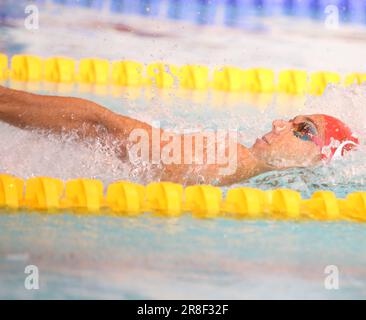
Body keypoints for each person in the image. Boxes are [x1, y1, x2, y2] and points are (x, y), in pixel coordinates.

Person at [0, 85, 359, 185]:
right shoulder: (236, 160)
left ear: (318, 159)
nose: (279, 124)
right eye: (291, 119)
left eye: (303, 129)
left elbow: (100, 125)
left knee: (97, 121)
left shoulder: (236, 162)